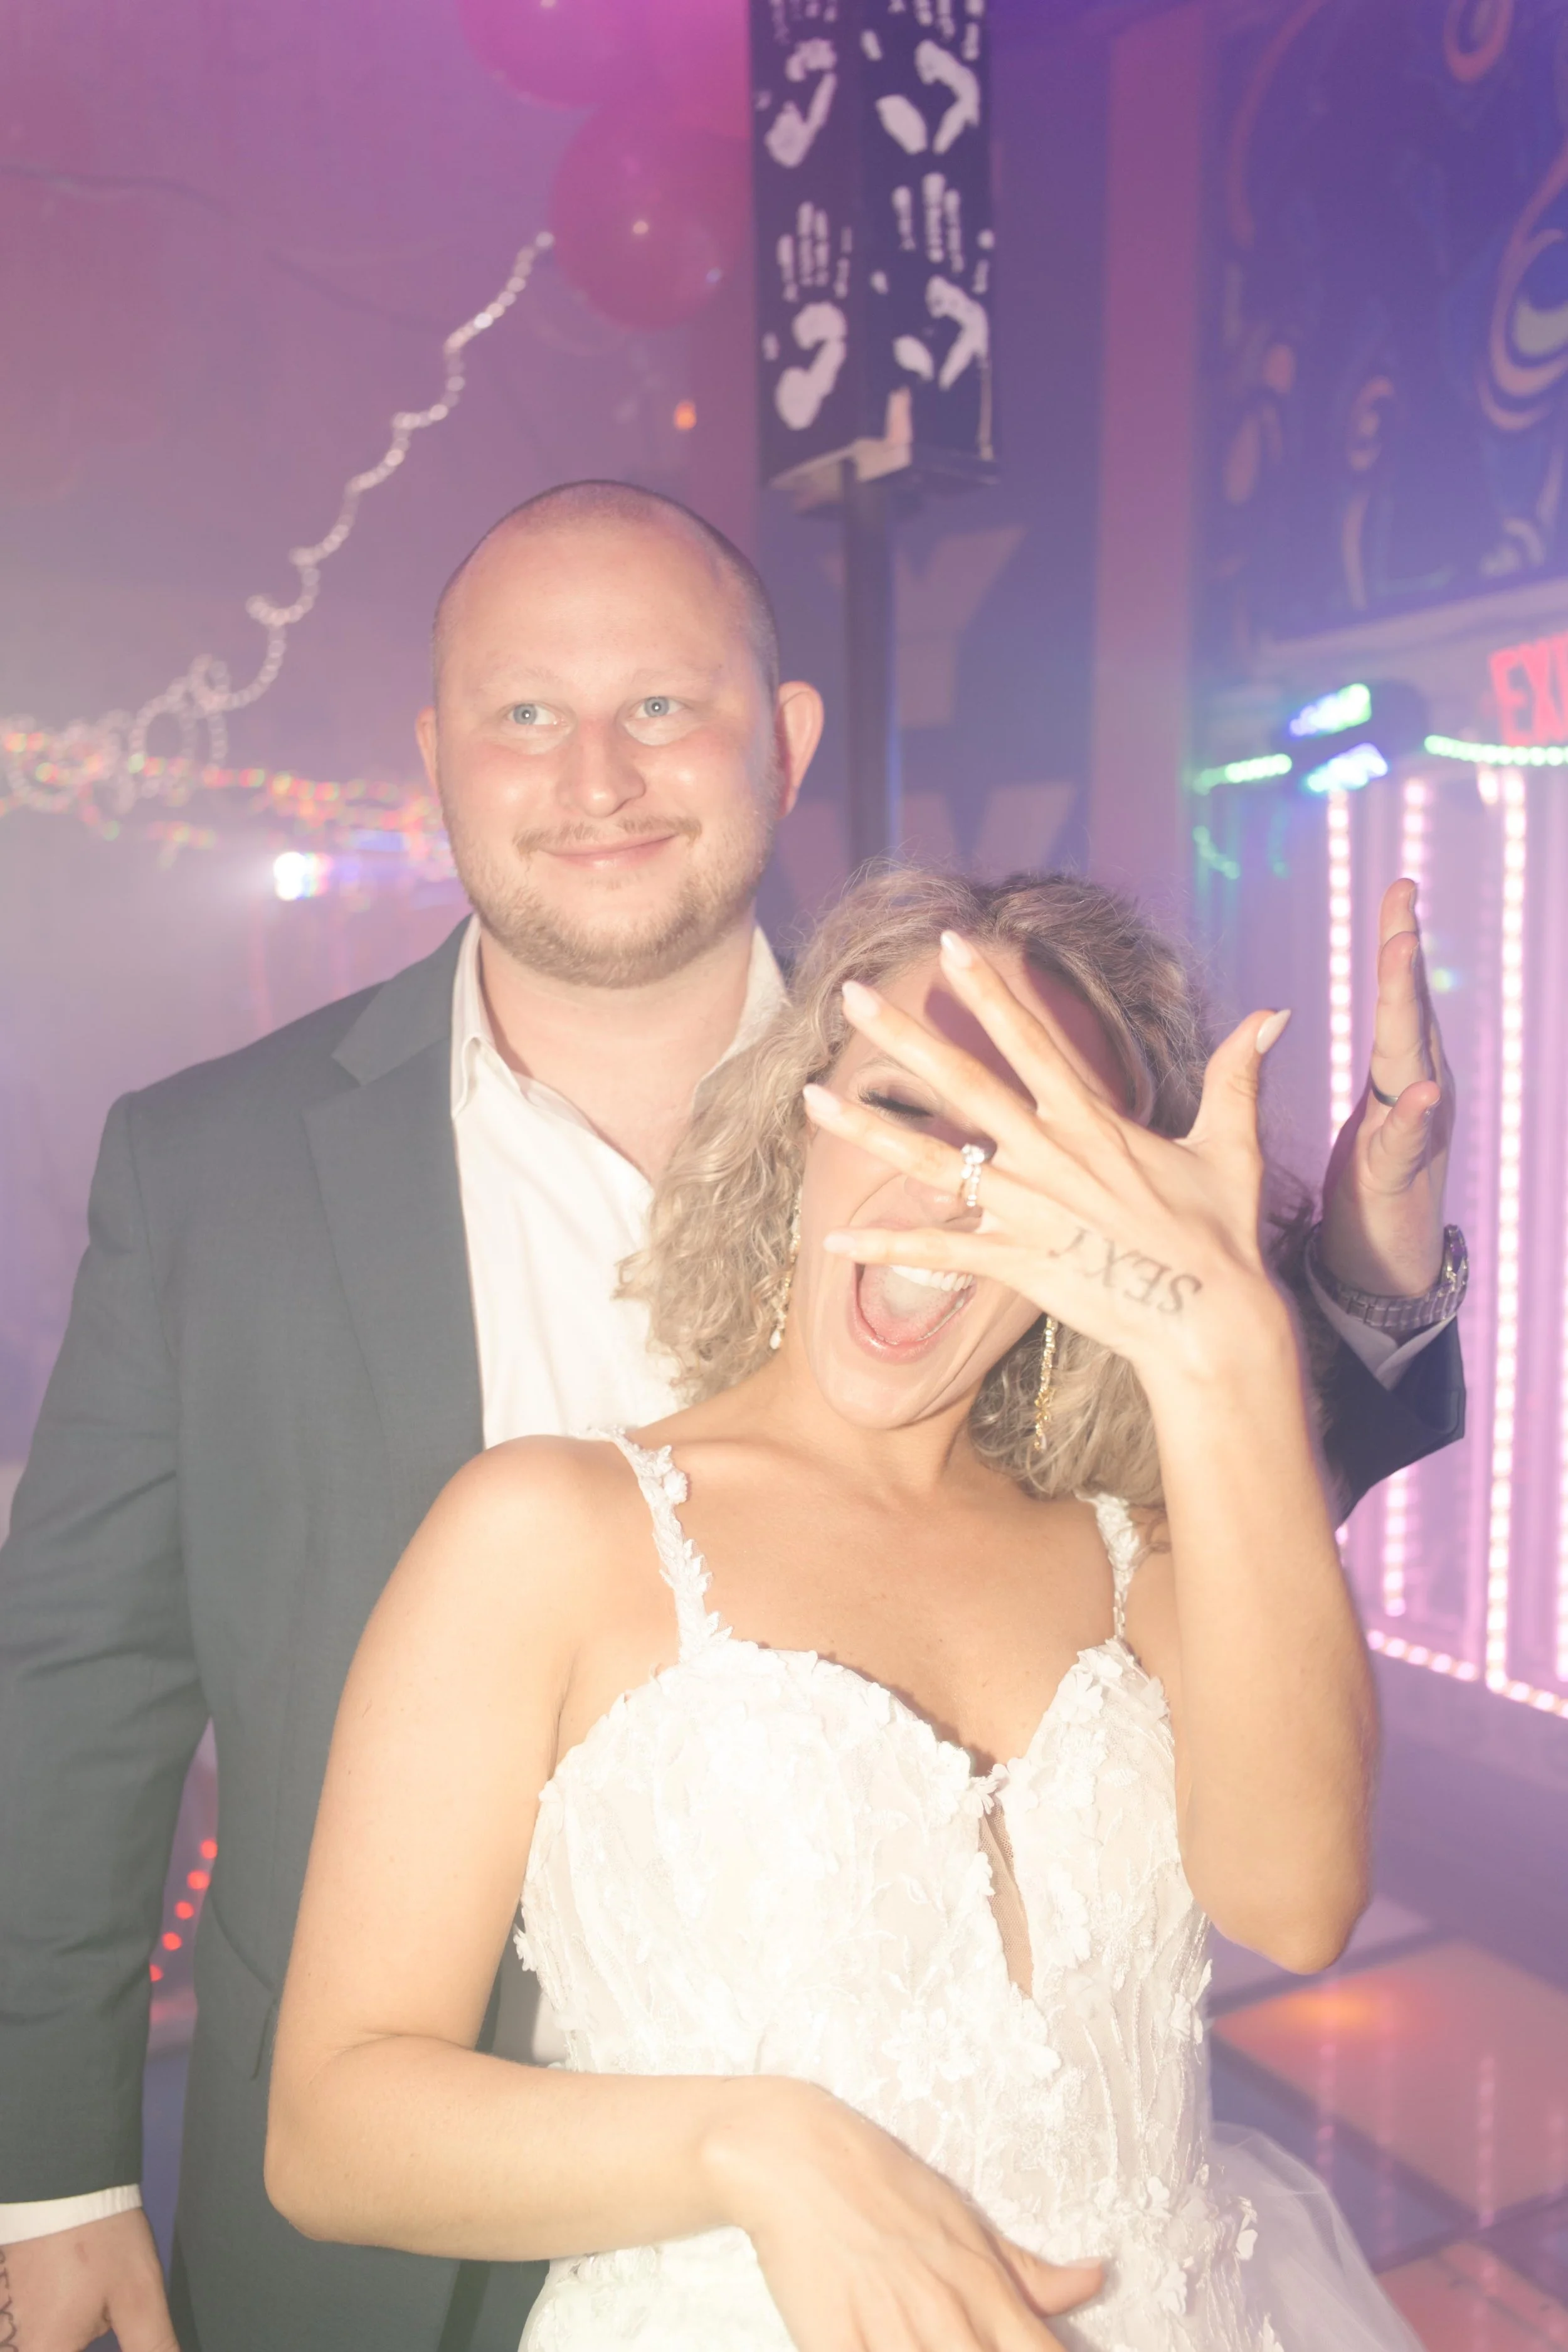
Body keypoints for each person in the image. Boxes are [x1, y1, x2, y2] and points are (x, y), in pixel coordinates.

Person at [0, 484, 1460, 2352]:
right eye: (527, 711)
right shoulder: (214, 1171)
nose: (594, 774)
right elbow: (78, 1682)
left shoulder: (958, 1070)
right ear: (436, 754)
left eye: (659, 706)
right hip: (424, 2227)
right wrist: (54, 2164)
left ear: (781, 742)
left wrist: (1307, 1293)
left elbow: (1249, 1647)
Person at [266, 866, 1429, 2352]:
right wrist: (756, 2150)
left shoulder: (1138, 1552)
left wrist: (1227, 1354)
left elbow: (1297, 1902)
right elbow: (331, 2132)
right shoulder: (549, 1532)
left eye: (1023, 1148)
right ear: (796, 1126)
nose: (943, 1189)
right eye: (901, 1107)